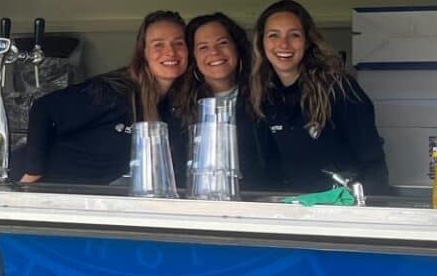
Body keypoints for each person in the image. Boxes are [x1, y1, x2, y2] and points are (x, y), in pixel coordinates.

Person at [19, 11, 191, 186]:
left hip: (76, 193)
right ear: (143, 52)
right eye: (158, 44)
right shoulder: (114, 91)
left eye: (178, 43)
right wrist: (32, 174)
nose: (170, 52)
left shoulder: (172, 107)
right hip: (35, 183)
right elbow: (43, 109)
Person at [248, 0, 388, 194]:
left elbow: (374, 169)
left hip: (341, 207)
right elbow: (269, 171)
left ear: (307, 42)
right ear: (261, 42)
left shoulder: (338, 88)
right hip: (291, 207)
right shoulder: (263, 96)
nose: (283, 44)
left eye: (294, 35)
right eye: (274, 35)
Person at [183, 12, 266, 188]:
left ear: (237, 47)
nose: (214, 52)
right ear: (193, 57)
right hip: (196, 199)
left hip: (256, 197)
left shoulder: (265, 97)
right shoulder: (178, 105)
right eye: (203, 47)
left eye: (223, 43)